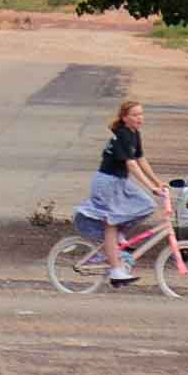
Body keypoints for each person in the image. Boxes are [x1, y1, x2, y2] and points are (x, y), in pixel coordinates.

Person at [71, 99, 166, 286]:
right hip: (107, 183)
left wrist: (157, 182)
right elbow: (131, 164)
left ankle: (115, 241)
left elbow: (140, 159)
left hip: (121, 182)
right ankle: (116, 271)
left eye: (141, 114)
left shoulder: (134, 133)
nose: (140, 118)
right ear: (124, 118)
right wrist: (151, 186)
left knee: (147, 205)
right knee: (111, 222)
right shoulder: (122, 134)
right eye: (135, 115)